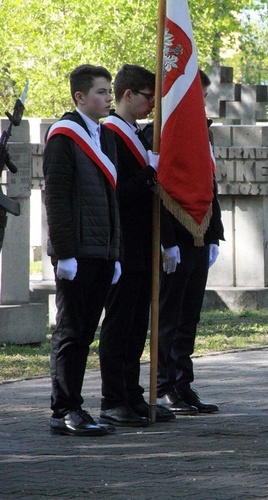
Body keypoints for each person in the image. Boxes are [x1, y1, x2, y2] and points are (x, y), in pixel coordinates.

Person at [44, 64, 122, 436]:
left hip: (102, 252)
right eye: (102, 93)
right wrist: (65, 253)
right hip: (76, 252)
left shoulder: (104, 137)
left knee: (87, 332)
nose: (109, 98)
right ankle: (65, 410)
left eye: (109, 92)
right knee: (71, 332)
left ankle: (75, 405)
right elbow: (56, 198)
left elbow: (111, 198)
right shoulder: (64, 136)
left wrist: (116, 251)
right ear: (80, 97)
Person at [98, 64, 175, 426]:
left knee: (136, 327)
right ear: (128, 95)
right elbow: (117, 193)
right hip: (123, 246)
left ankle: (132, 394)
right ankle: (113, 398)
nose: (152, 106)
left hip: (144, 246)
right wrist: (149, 173)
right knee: (119, 325)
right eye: (148, 97)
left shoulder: (138, 135)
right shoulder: (111, 134)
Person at [152, 70, 225, 415]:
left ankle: (183, 382)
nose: (203, 104)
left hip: (200, 231)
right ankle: (164, 383)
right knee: (170, 314)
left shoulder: (203, 132)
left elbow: (210, 187)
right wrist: (167, 240)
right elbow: (161, 188)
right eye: (198, 96)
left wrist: (214, 234)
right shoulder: (162, 133)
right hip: (174, 238)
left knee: (189, 315)